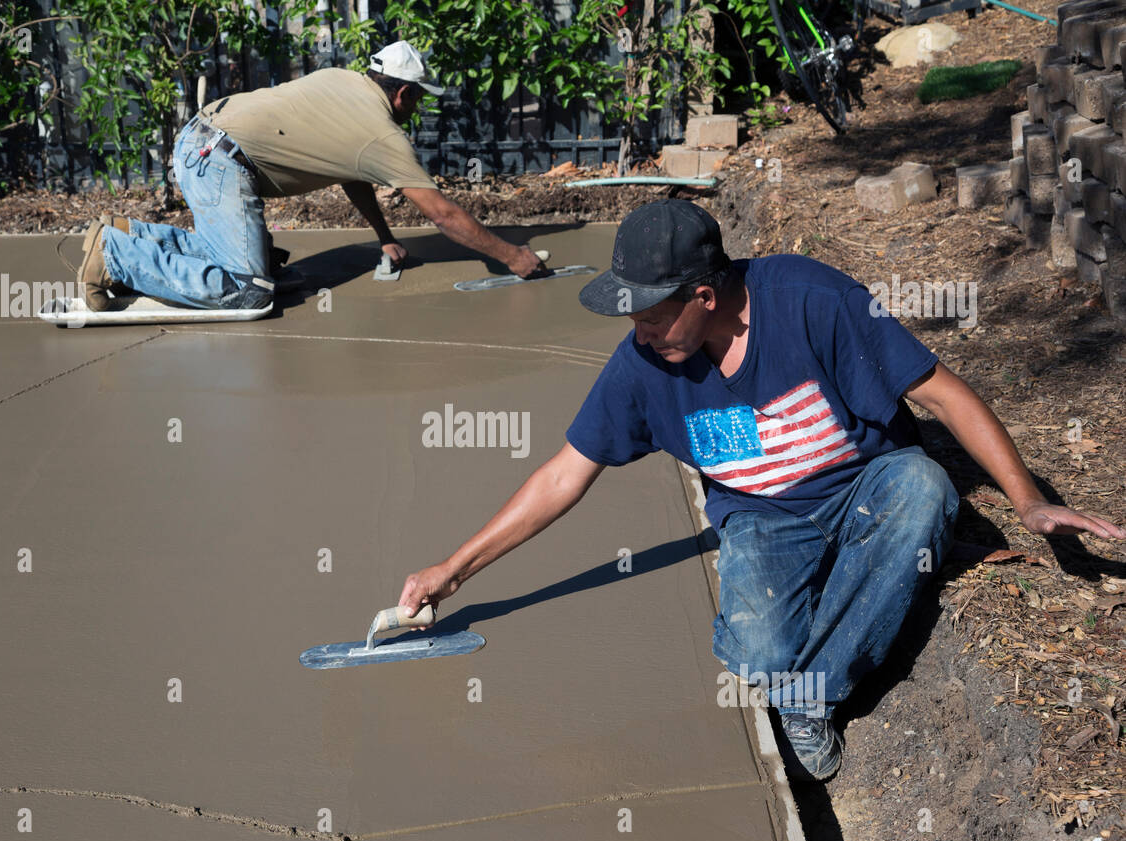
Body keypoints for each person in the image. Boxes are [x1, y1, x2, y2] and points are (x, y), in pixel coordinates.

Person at [395, 199, 1124, 782]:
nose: (640, 334)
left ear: (704, 296)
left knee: (924, 487)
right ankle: (807, 638)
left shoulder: (813, 301)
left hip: (868, 482)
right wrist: (452, 571)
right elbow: (563, 474)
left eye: (651, 315)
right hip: (763, 517)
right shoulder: (644, 365)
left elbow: (943, 394)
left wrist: (1026, 500)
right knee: (755, 657)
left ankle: (817, 693)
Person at [75, 40, 547, 314]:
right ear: (403, 93)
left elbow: (351, 171)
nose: (418, 107)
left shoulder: (342, 80)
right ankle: (116, 256)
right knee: (249, 289)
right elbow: (443, 214)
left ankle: (128, 233)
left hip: (202, 140)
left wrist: (385, 237)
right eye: (419, 98)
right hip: (220, 159)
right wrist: (511, 256)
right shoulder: (380, 132)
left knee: (246, 264)